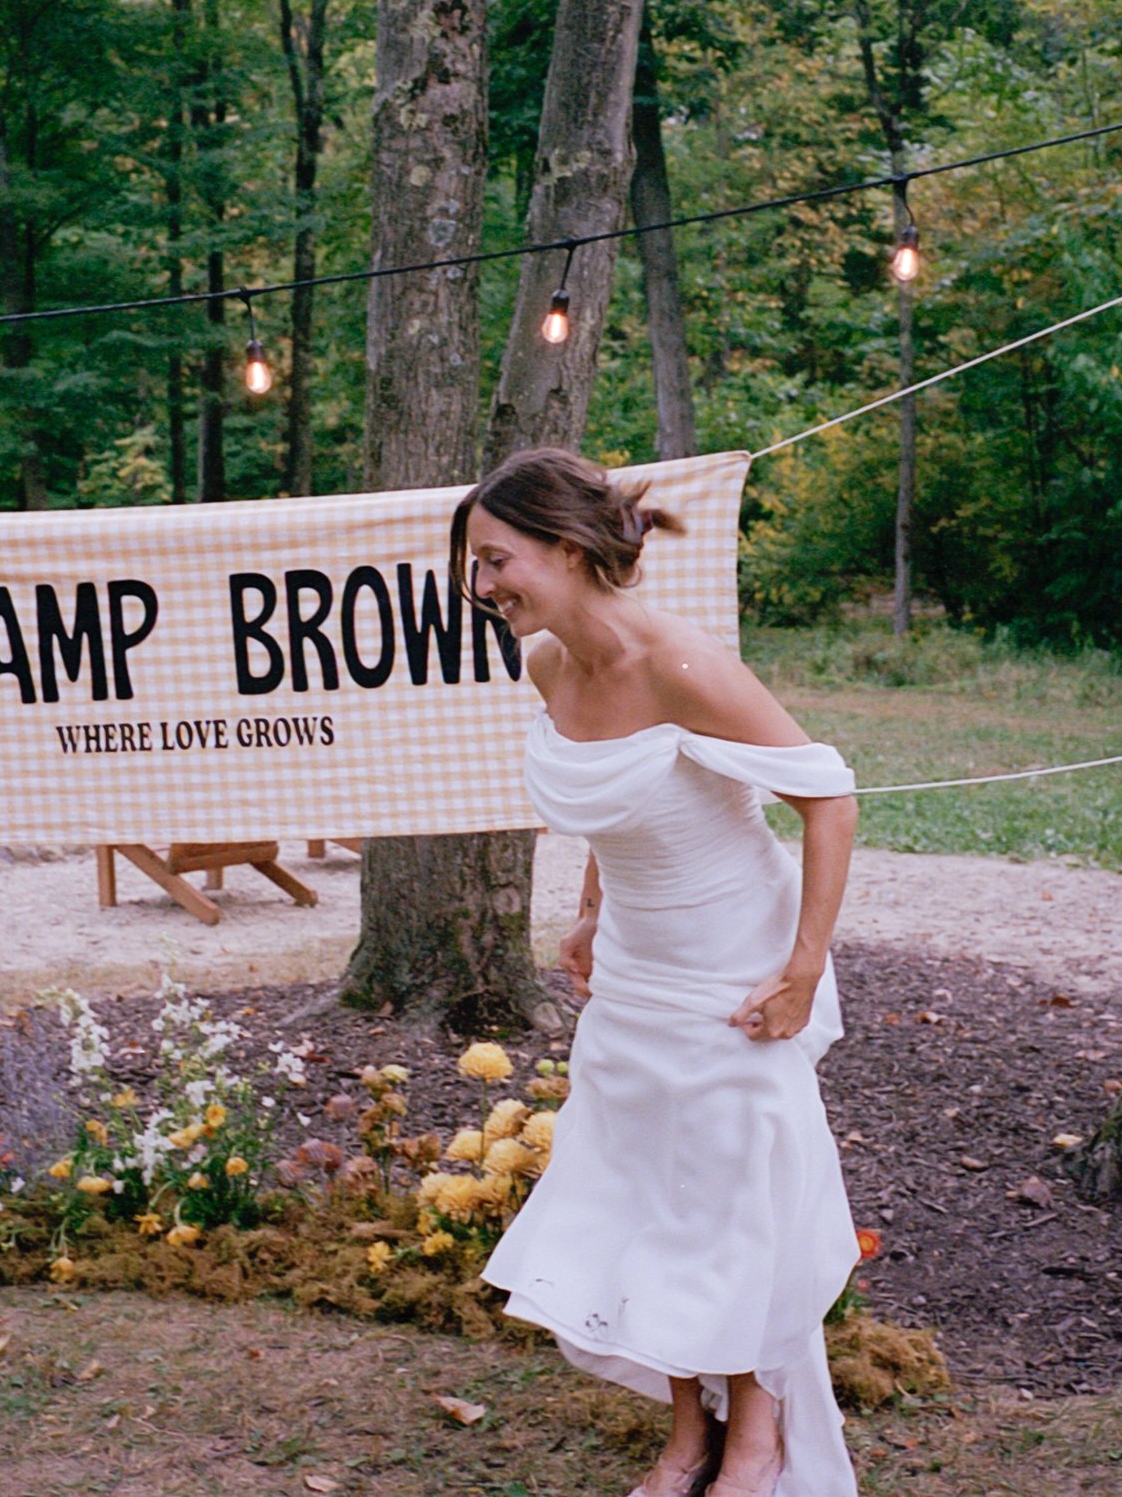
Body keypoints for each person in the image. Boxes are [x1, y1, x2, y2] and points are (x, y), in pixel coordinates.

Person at [463, 446, 864, 1497]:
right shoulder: (548, 663)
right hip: (636, 968)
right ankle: (686, 1434)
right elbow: (613, 803)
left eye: (496, 560)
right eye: (473, 565)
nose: (481, 587)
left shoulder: (680, 666)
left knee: (733, 1203)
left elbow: (827, 798)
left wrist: (799, 970)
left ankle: (757, 1441)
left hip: (735, 966)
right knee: (644, 1193)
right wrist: (590, 911)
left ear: (563, 546)